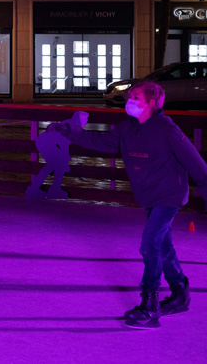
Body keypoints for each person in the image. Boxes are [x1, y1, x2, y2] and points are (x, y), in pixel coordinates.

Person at [54, 81, 207, 329]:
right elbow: (100, 142)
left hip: (169, 195)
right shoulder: (127, 129)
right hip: (148, 195)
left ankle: (150, 306)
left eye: (135, 97)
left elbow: (198, 165)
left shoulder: (168, 130)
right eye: (129, 96)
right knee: (162, 245)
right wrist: (69, 132)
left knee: (149, 246)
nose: (129, 100)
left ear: (151, 103)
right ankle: (180, 295)